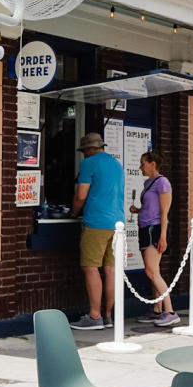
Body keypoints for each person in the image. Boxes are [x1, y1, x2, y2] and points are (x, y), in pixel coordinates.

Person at [71, 131, 125, 329]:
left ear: (88, 150)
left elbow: (81, 196)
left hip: (96, 222)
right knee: (110, 270)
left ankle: (94, 316)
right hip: (117, 224)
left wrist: (73, 211)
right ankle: (108, 316)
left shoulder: (89, 163)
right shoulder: (116, 164)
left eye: (84, 151)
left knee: (90, 267)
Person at [128, 150, 179, 329]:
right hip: (144, 228)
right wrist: (138, 211)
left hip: (154, 229)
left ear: (153, 164)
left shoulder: (162, 183)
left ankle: (170, 311)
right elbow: (150, 208)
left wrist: (163, 236)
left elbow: (164, 212)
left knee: (151, 272)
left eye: (143, 163)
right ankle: (157, 308)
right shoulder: (148, 183)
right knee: (153, 271)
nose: (140, 167)